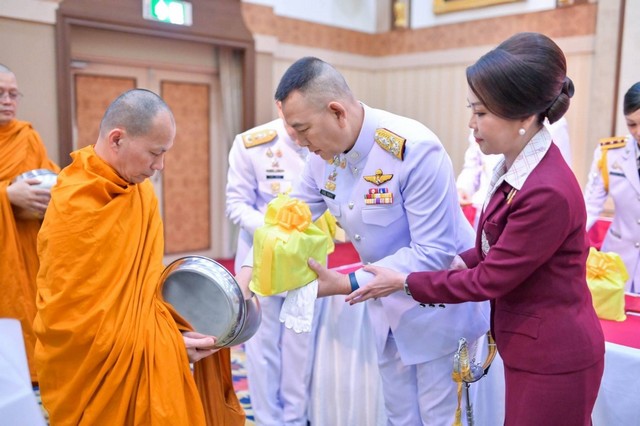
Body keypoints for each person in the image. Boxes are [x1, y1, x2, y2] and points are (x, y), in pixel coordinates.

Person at [339, 33, 605, 426]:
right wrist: (451, 261)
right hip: (530, 344)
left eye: (481, 113)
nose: (471, 124)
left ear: (523, 117)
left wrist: (406, 282)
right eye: (471, 110)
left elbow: (491, 278)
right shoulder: (517, 166)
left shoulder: (546, 188)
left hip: (554, 354)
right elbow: (494, 246)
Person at [236, 56, 490, 425]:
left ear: (337, 112)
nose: (303, 145)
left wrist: (346, 282)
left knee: (441, 418)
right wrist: (246, 277)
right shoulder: (322, 158)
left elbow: (433, 253)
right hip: (386, 310)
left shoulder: (414, 149)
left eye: (304, 131)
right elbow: (284, 220)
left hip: (440, 310)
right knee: (399, 415)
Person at [33, 89, 244, 425]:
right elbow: (73, 318)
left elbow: (142, 286)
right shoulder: (74, 202)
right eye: (154, 153)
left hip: (134, 347)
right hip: (88, 367)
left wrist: (173, 329)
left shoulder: (141, 193)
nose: (159, 166)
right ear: (117, 139)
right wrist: (167, 346)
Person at [225, 107, 323, 425]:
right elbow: (236, 204)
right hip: (260, 260)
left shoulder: (325, 141)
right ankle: (269, 420)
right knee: (262, 346)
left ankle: (296, 418)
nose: (298, 135)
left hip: (306, 264)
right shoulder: (252, 144)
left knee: (300, 347)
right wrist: (277, 229)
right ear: (280, 106)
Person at [0, 64, 59, 384]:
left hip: (25, 243)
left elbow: (51, 176)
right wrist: (7, 194)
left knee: (28, 311)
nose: (7, 100)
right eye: (0, 93)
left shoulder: (27, 136)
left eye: (13, 94)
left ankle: (29, 377)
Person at [457, 116, 572, 228]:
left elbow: (560, 177)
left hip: (524, 211)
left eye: (481, 112)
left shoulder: (554, 125)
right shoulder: (480, 124)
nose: (472, 123)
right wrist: (463, 188)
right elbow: (473, 166)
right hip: (484, 209)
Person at [583, 82, 640, 293]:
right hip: (616, 261)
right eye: (632, 124)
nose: (638, 132)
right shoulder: (611, 153)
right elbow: (589, 206)